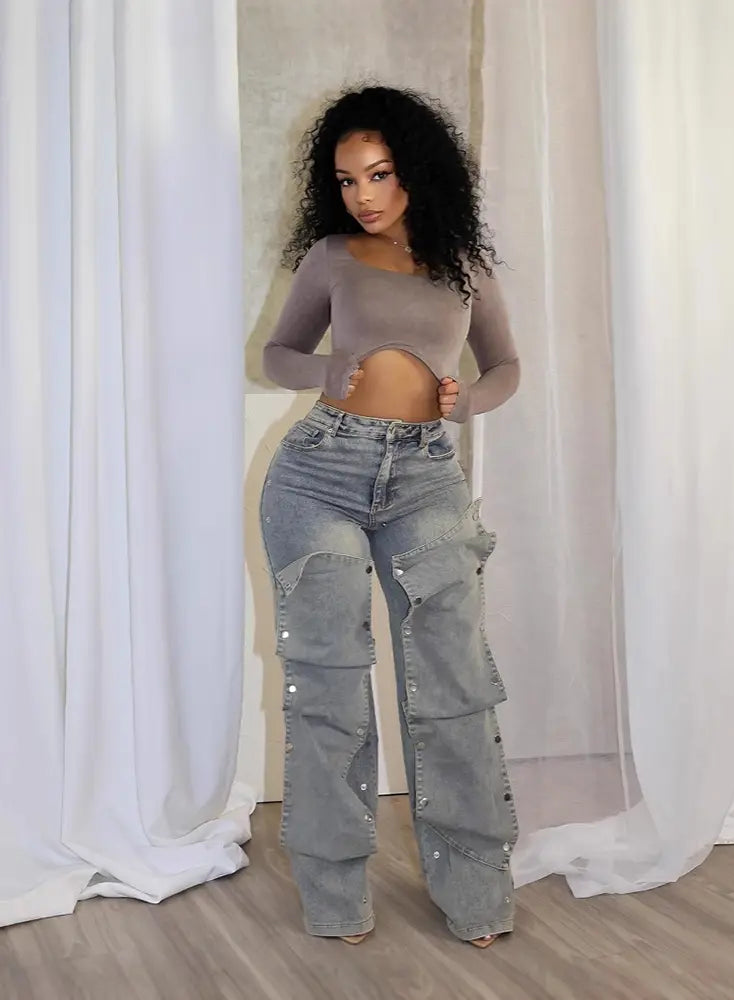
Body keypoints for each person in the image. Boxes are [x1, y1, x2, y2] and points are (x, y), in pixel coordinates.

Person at [259, 85, 520, 948]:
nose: (362, 195)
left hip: (424, 478)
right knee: (330, 689)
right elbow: (278, 352)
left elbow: (507, 365)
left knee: (453, 687)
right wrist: (322, 373)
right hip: (319, 476)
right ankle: (335, 896)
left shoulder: (463, 264)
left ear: (418, 169)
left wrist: (467, 399)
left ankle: (476, 893)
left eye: (378, 174)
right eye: (346, 180)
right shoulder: (332, 257)